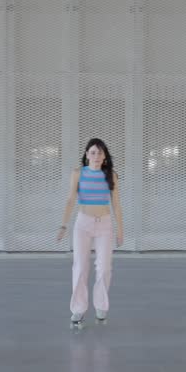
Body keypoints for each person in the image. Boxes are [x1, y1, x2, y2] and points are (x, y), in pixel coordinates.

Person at [57, 138, 124, 328]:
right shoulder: (78, 173)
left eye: (100, 153)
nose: (96, 156)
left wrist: (121, 230)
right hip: (83, 224)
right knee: (80, 267)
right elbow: (71, 200)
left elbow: (117, 206)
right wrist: (63, 225)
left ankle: (101, 306)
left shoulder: (111, 175)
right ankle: (78, 309)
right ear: (87, 154)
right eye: (93, 152)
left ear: (105, 157)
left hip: (104, 225)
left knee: (104, 268)